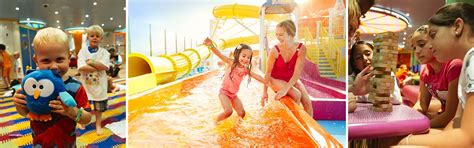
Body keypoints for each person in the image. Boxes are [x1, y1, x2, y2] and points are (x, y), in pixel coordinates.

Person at [399, 3, 474, 146]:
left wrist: (406, 141)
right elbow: (457, 120)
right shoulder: (467, 61)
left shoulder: (471, 59)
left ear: (457, 27)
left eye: (433, 35)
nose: (430, 45)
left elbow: (468, 138)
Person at [12, 27, 92, 147]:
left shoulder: (75, 87)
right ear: (36, 60)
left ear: (69, 57)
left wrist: (71, 112)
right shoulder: (31, 85)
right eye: (46, 60)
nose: (54, 66)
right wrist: (19, 104)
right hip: (39, 143)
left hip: (67, 143)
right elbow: (25, 113)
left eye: (60, 59)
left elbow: (87, 118)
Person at [409, 25, 462, 128]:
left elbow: (450, 114)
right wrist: (411, 120)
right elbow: (422, 104)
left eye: (421, 44)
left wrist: (417, 127)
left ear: (435, 42)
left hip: (460, 119)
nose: (417, 51)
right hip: (444, 114)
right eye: (414, 47)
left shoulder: (454, 65)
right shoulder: (425, 69)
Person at [203, 38, 267, 123]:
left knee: (242, 113)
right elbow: (220, 55)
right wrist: (211, 46)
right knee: (228, 111)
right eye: (243, 56)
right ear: (237, 55)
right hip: (224, 93)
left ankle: (237, 125)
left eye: (248, 57)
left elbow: (257, 76)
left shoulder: (245, 69)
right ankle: (215, 122)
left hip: (233, 95)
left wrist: (267, 82)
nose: (246, 59)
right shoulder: (232, 63)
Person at [261, 20, 313, 116]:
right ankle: (295, 122)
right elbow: (267, 73)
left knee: (307, 102)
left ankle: (309, 129)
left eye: (281, 34)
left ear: (290, 34)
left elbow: (297, 73)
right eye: (276, 34)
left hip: (291, 78)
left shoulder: (301, 49)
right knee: (297, 94)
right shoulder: (275, 51)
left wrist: (286, 89)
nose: (278, 37)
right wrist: (264, 92)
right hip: (275, 79)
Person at [77, 25, 110, 135]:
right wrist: (97, 65)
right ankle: (81, 121)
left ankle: (98, 124)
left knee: (98, 107)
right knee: (82, 104)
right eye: (92, 36)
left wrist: (90, 62)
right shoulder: (82, 51)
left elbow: (105, 67)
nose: (95, 38)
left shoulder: (104, 52)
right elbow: (81, 67)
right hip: (85, 84)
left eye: (97, 36)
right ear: (88, 37)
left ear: (101, 38)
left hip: (100, 85)